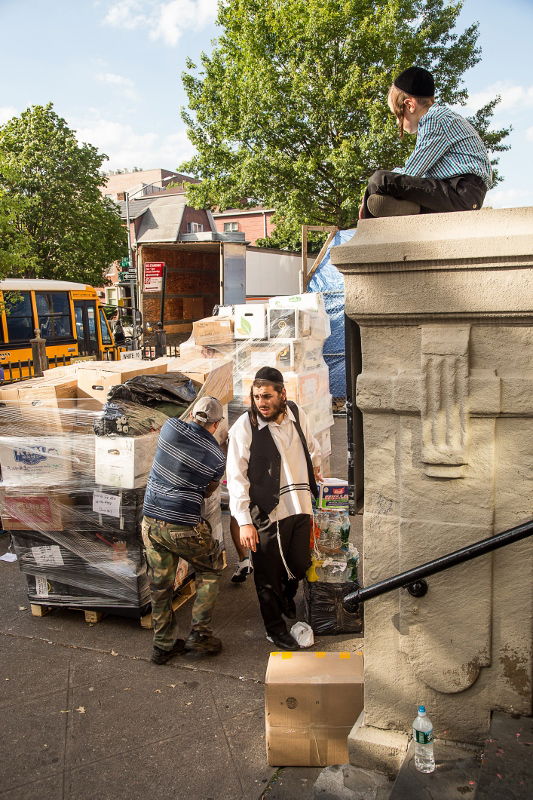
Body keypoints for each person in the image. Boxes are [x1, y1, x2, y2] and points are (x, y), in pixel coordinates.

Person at [226, 367, 321, 651]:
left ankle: (284, 597)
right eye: (256, 397)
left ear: (282, 394)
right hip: (266, 512)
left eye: (267, 396)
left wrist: (317, 470)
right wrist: (244, 521)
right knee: (267, 575)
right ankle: (274, 628)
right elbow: (236, 477)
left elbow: (310, 446)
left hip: (300, 505)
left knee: (300, 563)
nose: (261, 403)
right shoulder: (245, 426)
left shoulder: (296, 414)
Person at [142, 396, 226, 665]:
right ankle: (200, 634)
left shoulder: (169, 428)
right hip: (183, 525)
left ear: (192, 415)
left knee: (160, 584)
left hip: (151, 520)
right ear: (217, 424)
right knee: (210, 568)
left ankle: (163, 645)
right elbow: (208, 491)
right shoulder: (216, 457)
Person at [360, 66, 493, 219]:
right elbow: (414, 178)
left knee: (379, 179)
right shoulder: (441, 118)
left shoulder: (435, 118)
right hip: (454, 193)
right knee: (379, 200)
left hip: (460, 192)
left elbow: (412, 172)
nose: (398, 122)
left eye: (397, 114)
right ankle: (410, 209)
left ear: (410, 105)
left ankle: (367, 236)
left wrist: (373, 188)